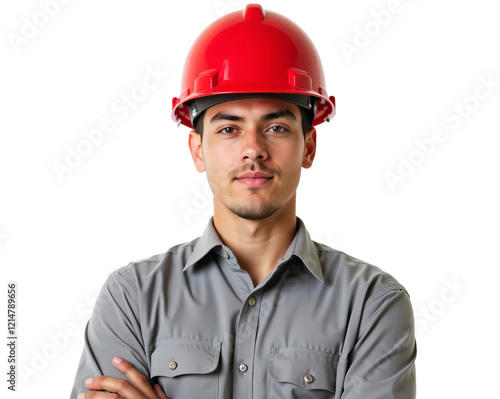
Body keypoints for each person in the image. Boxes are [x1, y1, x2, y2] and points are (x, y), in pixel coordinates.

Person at [71, 4, 416, 398]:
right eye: (230, 128)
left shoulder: (373, 306)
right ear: (198, 150)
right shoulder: (132, 298)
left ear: (308, 145)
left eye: (276, 127)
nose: (253, 149)